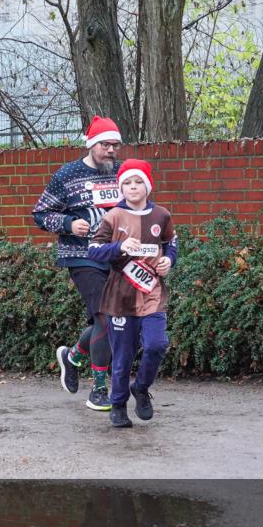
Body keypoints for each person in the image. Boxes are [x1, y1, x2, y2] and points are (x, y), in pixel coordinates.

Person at [32, 116, 123, 412]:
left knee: (108, 320)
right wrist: (70, 223)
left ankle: (73, 357)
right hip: (82, 256)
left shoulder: (123, 172)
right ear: (92, 144)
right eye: (105, 144)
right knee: (106, 316)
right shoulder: (68, 175)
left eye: (115, 145)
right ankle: (98, 390)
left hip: (117, 255)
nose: (111, 150)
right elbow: (41, 213)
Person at [87, 159, 176, 428]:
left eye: (138, 182)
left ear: (147, 186)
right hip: (121, 297)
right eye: (127, 182)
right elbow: (94, 250)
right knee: (123, 355)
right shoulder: (113, 216)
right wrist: (120, 247)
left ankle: (142, 388)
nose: (133, 187)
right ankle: (118, 404)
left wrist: (169, 260)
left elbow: (171, 244)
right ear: (121, 188)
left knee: (156, 344)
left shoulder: (161, 215)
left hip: (153, 294)